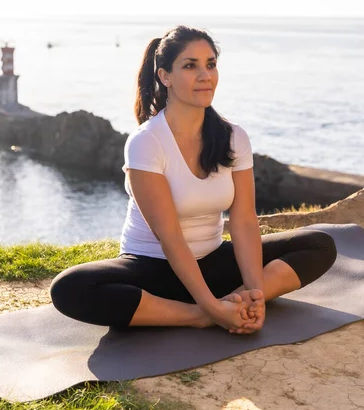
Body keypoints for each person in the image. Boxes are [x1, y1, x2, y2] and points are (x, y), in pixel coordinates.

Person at [50, 25, 337, 334]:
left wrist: (255, 294)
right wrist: (211, 309)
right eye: (190, 66)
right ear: (165, 76)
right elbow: (169, 236)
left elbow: (243, 222)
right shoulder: (147, 142)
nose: (205, 75)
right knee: (70, 287)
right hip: (153, 267)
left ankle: (236, 302)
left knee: (319, 245)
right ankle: (199, 314)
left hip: (212, 262)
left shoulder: (233, 137)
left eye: (210, 64)